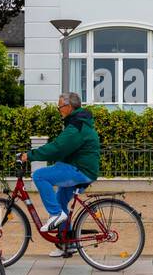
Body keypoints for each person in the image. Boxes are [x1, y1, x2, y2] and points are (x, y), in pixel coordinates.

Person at [20, 92, 100, 257]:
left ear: (69, 107)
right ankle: (66, 244)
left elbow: (58, 148)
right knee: (59, 200)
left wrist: (31, 155)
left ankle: (56, 215)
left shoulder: (76, 126)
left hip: (79, 170)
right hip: (79, 167)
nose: (58, 110)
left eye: (60, 107)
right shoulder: (77, 123)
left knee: (40, 176)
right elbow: (63, 149)